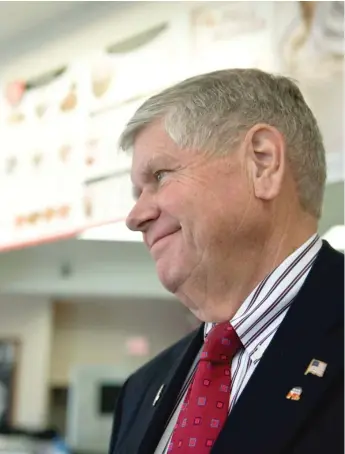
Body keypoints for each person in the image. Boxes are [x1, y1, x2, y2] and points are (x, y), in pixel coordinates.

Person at [109, 69, 344, 454]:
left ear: (263, 163)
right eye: (137, 192)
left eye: (160, 176)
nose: (135, 217)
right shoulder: (141, 390)